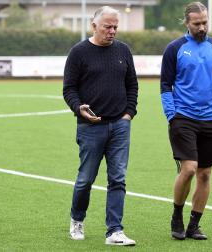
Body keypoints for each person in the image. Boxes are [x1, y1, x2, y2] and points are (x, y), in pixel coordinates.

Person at [63, 6, 138, 246]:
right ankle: (77, 219)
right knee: (85, 179)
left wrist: (128, 114)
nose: (113, 31)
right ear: (94, 26)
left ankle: (114, 231)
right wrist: (78, 108)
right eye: (108, 26)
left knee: (118, 179)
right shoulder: (79, 53)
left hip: (120, 125)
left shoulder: (124, 51)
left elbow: (132, 85)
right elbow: (69, 89)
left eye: (116, 26)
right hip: (90, 127)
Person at [160, 1, 212, 241]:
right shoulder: (175, 48)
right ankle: (177, 216)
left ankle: (194, 225)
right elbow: (165, 85)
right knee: (189, 169)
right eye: (197, 23)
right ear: (187, 23)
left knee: (205, 174)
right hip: (184, 118)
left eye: (205, 22)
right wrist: (171, 115)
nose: (202, 27)